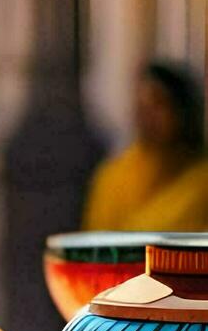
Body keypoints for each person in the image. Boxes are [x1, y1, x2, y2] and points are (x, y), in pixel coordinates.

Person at [83, 60, 208, 231]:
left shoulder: (201, 181)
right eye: (142, 106)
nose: (148, 115)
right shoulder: (114, 177)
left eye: (159, 104)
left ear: (183, 110)